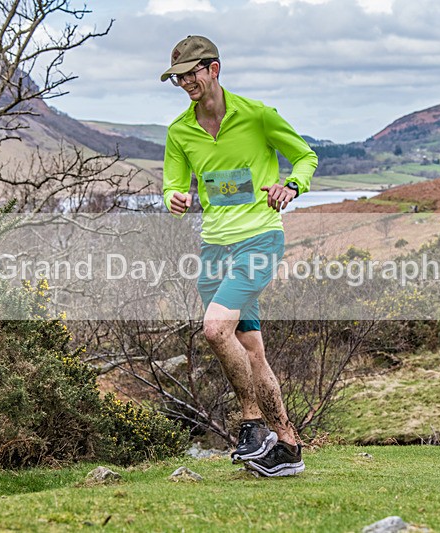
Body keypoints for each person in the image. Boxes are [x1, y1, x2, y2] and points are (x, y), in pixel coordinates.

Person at [160, 35, 318, 477]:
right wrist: (173, 195)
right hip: (215, 248)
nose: (186, 82)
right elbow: (173, 181)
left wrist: (291, 186)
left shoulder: (257, 116)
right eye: (178, 78)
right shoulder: (179, 131)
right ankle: (287, 445)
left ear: (214, 69)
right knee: (251, 349)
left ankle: (252, 423)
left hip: (259, 240)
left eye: (192, 72)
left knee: (214, 329)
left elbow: (304, 156)